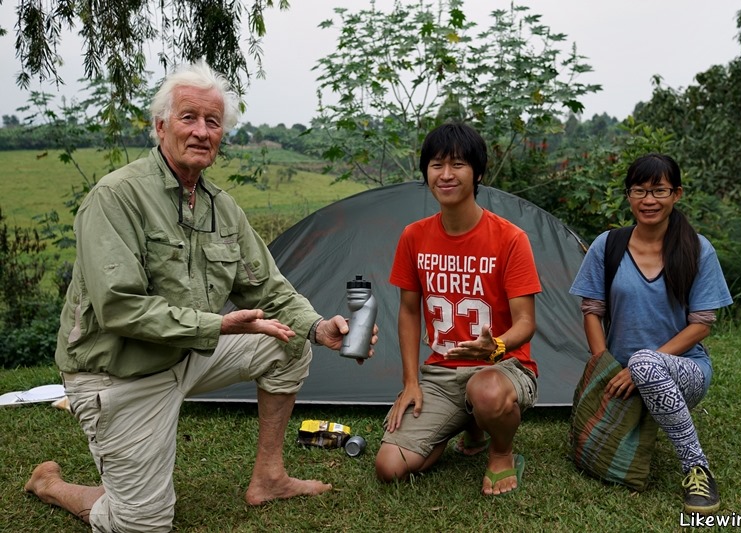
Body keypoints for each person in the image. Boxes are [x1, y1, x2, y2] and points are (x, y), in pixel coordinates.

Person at [24, 60, 376, 532]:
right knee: (143, 524)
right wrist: (219, 326)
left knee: (287, 341)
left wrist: (319, 328)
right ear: (161, 125)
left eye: (213, 122)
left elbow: (269, 288)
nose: (201, 131)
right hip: (116, 375)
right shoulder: (116, 197)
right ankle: (51, 485)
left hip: (187, 354)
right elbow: (118, 307)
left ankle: (269, 478)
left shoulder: (221, 208)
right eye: (189, 117)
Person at [374, 122, 541, 496]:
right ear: (426, 173)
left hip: (504, 366)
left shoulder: (511, 238)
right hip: (443, 374)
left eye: (458, 165)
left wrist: (495, 347)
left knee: (485, 390)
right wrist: (411, 383)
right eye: (436, 165)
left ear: (478, 172)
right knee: (390, 467)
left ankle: (501, 452)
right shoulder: (413, 236)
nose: (446, 175)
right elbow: (409, 312)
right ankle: (466, 423)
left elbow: (526, 323)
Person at [569, 153, 732, 514]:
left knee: (645, 361)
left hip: (685, 371)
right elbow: (592, 313)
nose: (648, 200)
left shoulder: (698, 250)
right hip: (620, 375)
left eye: (659, 190)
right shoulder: (607, 246)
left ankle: (696, 467)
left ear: (677, 194)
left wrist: (645, 364)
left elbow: (701, 324)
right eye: (639, 190)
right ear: (628, 196)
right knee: (638, 367)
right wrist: (605, 368)